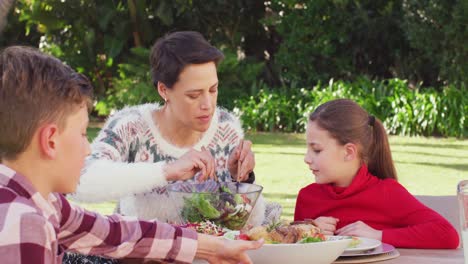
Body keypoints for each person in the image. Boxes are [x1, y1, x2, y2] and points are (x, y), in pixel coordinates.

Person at [0, 46, 263, 264]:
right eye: (82, 134)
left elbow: (115, 232)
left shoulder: (45, 204)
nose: (88, 148)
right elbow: (88, 181)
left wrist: (208, 247)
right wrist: (167, 170)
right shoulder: (23, 224)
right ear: (50, 140)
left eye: (213, 90)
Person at [72, 31, 280, 226]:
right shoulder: (131, 127)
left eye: (213, 90)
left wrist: (241, 180)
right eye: (194, 95)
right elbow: (79, 180)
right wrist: (167, 171)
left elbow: (239, 220)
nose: (208, 104)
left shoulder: (227, 128)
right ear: (164, 90)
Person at [294, 99, 459, 249]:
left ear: (349, 152)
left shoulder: (388, 193)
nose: (306, 158)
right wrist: (310, 232)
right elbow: (291, 252)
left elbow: (447, 235)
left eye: (316, 150)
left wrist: (378, 235)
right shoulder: (307, 198)